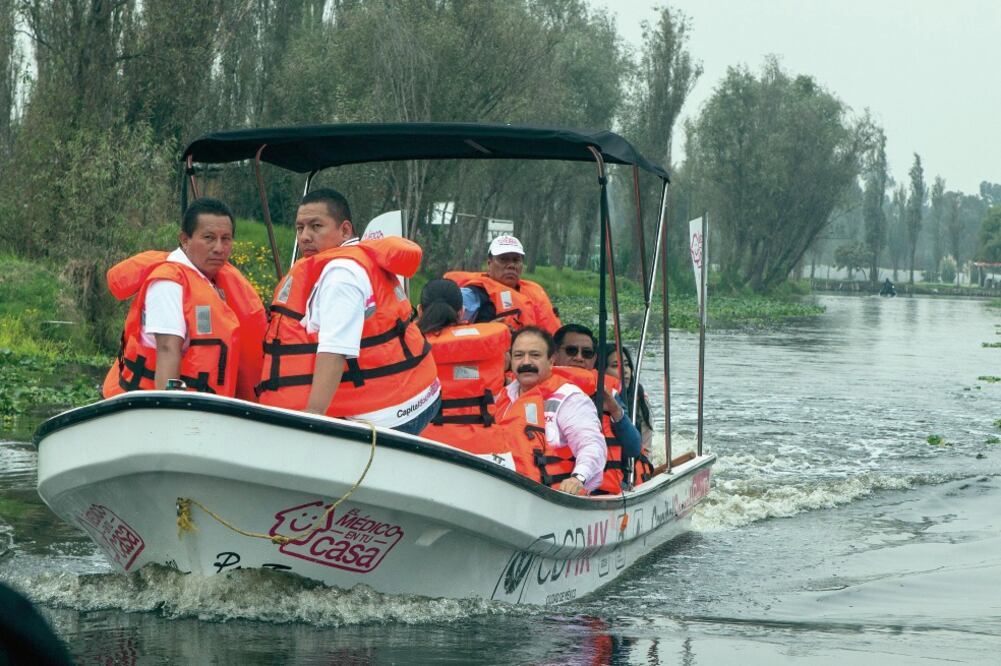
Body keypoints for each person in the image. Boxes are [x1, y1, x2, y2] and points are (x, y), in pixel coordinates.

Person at [256, 188, 440, 434]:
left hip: (389, 412)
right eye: (300, 228)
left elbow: (335, 350)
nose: (305, 236)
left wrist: (312, 419)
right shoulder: (358, 258)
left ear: (344, 230)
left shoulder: (341, 275)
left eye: (316, 226)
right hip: (419, 393)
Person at [102, 197, 266, 400]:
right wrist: (168, 410)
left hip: (204, 408)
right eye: (208, 238)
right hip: (156, 409)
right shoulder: (168, 283)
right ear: (185, 239)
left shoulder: (212, 281)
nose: (218, 248)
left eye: (226, 239)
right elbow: (167, 348)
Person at [494, 327, 606, 494]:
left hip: (550, 497)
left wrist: (578, 478)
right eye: (519, 355)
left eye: (535, 355)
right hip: (503, 489)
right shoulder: (502, 397)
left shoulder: (570, 397)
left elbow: (592, 445)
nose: (526, 362)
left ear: (551, 359)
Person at [416, 279, 513, 459]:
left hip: (426, 445)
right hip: (487, 448)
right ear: (461, 312)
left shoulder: (410, 348)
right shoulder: (492, 349)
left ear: (420, 310)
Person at [552, 324, 642, 493]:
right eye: (571, 351)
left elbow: (633, 448)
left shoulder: (609, 391)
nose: (579, 357)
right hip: (551, 487)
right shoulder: (537, 388)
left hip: (602, 493)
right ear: (554, 354)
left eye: (586, 353)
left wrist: (615, 410)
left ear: (594, 360)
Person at [444, 234, 561, 333]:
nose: (511, 265)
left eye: (516, 260)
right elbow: (446, 332)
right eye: (503, 259)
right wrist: (488, 329)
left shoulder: (534, 291)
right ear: (489, 263)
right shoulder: (471, 294)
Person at [601, 343, 655, 486]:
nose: (624, 371)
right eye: (615, 366)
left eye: (626, 365)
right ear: (601, 371)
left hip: (629, 473)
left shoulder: (639, 398)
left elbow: (645, 447)